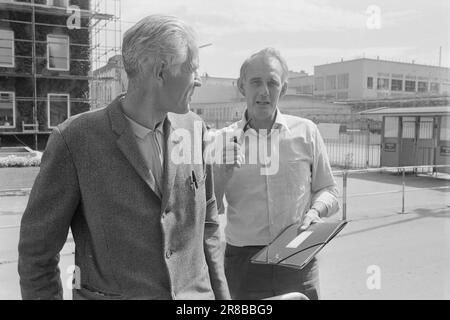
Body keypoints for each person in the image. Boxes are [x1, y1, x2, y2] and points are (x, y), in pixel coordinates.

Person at [18, 15, 230, 300]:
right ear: (160, 71)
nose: (198, 80)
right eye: (192, 68)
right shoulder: (74, 140)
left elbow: (210, 228)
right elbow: (37, 256)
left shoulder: (195, 129)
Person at [213, 48, 339, 300]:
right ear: (241, 87)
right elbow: (210, 209)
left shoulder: (306, 132)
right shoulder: (222, 141)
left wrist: (315, 211)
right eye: (255, 82)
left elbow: (329, 191)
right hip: (243, 262)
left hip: (298, 253)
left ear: (284, 88)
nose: (264, 91)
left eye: (272, 83)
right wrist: (220, 173)